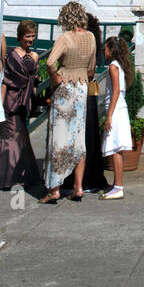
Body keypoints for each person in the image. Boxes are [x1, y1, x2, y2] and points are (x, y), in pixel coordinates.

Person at [40, 2, 97, 203]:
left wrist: (55, 77)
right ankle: (78, 187)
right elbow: (92, 68)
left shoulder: (65, 38)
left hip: (65, 87)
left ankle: (54, 189)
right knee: (78, 136)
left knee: (58, 136)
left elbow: (48, 62)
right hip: (81, 86)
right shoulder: (91, 37)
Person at [0, 20, 44, 193]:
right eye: (27, 36)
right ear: (20, 37)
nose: (30, 40)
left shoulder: (36, 56)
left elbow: (35, 81)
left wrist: (35, 99)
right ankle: (7, 177)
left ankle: (19, 175)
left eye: (33, 36)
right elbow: (5, 80)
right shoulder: (12, 55)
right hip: (11, 99)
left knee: (21, 137)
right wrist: (0, 103)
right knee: (8, 136)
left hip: (25, 101)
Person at [64, 12, 107, 195]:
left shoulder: (80, 44)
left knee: (74, 134)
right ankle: (86, 177)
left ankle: (75, 179)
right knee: (87, 134)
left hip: (77, 88)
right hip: (87, 91)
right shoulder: (92, 43)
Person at [99, 36, 133, 201]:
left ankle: (118, 186)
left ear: (112, 50)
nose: (103, 51)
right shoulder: (119, 66)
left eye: (105, 48)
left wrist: (109, 116)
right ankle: (117, 185)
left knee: (115, 149)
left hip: (116, 110)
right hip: (120, 109)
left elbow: (116, 91)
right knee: (116, 149)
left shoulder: (113, 66)